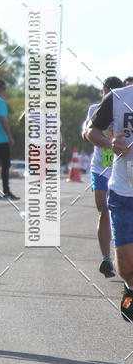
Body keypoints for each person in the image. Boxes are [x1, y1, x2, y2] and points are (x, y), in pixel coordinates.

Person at [88, 82, 133, 321]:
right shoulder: (117, 98)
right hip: (123, 192)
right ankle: (130, 288)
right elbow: (90, 132)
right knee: (125, 264)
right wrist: (110, 143)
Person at [82, 77, 124, 278]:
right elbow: (86, 133)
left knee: (119, 211)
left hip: (121, 170)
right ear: (102, 93)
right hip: (100, 168)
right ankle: (106, 259)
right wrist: (103, 138)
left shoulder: (124, 108)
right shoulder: (94, 110)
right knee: (103, 209)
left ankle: (122, 253)